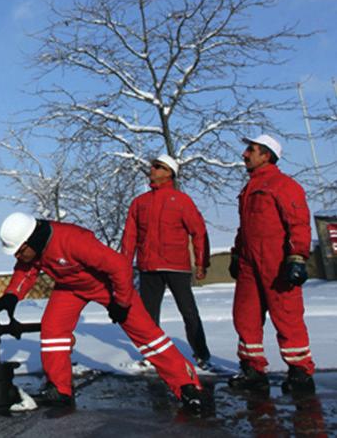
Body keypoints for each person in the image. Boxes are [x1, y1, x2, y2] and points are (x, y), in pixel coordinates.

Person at [0, 212, 206, 414]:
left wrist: (120, 303)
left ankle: (187, 386)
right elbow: (27, 270)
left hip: (107, 285)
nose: (17, 255)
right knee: (53, 329)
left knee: (147, 334)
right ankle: (60, 389)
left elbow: (120, 266)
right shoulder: (34, 250)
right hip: (70, 287)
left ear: (31, 240)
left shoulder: (73, 240)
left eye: (19, 250)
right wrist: (12, 295)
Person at [229, 134, 315, 394]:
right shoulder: (249, 188)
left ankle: (300, 371)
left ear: (266, 155)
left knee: (287, 315)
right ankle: (253, 369)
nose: (245, 154)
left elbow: (298, 222)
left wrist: (297, 257)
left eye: (251, 150)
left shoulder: (283, 185)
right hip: (248, 263)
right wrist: (236, 254)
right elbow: (245, 227)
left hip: (276, 263)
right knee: (245, 316)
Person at [120, 154, 212, 369]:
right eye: (152, 166)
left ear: (169, 172)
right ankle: (152, 355)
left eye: (158, 166)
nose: (152, 169)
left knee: (188, 311)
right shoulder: (139, 203)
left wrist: (201, 263)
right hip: (148, 267)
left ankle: (202, 354)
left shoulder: (181, 201)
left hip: (176, 267)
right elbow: (129, 237)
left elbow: (198, 231)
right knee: (148, 316)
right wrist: (124, 266)